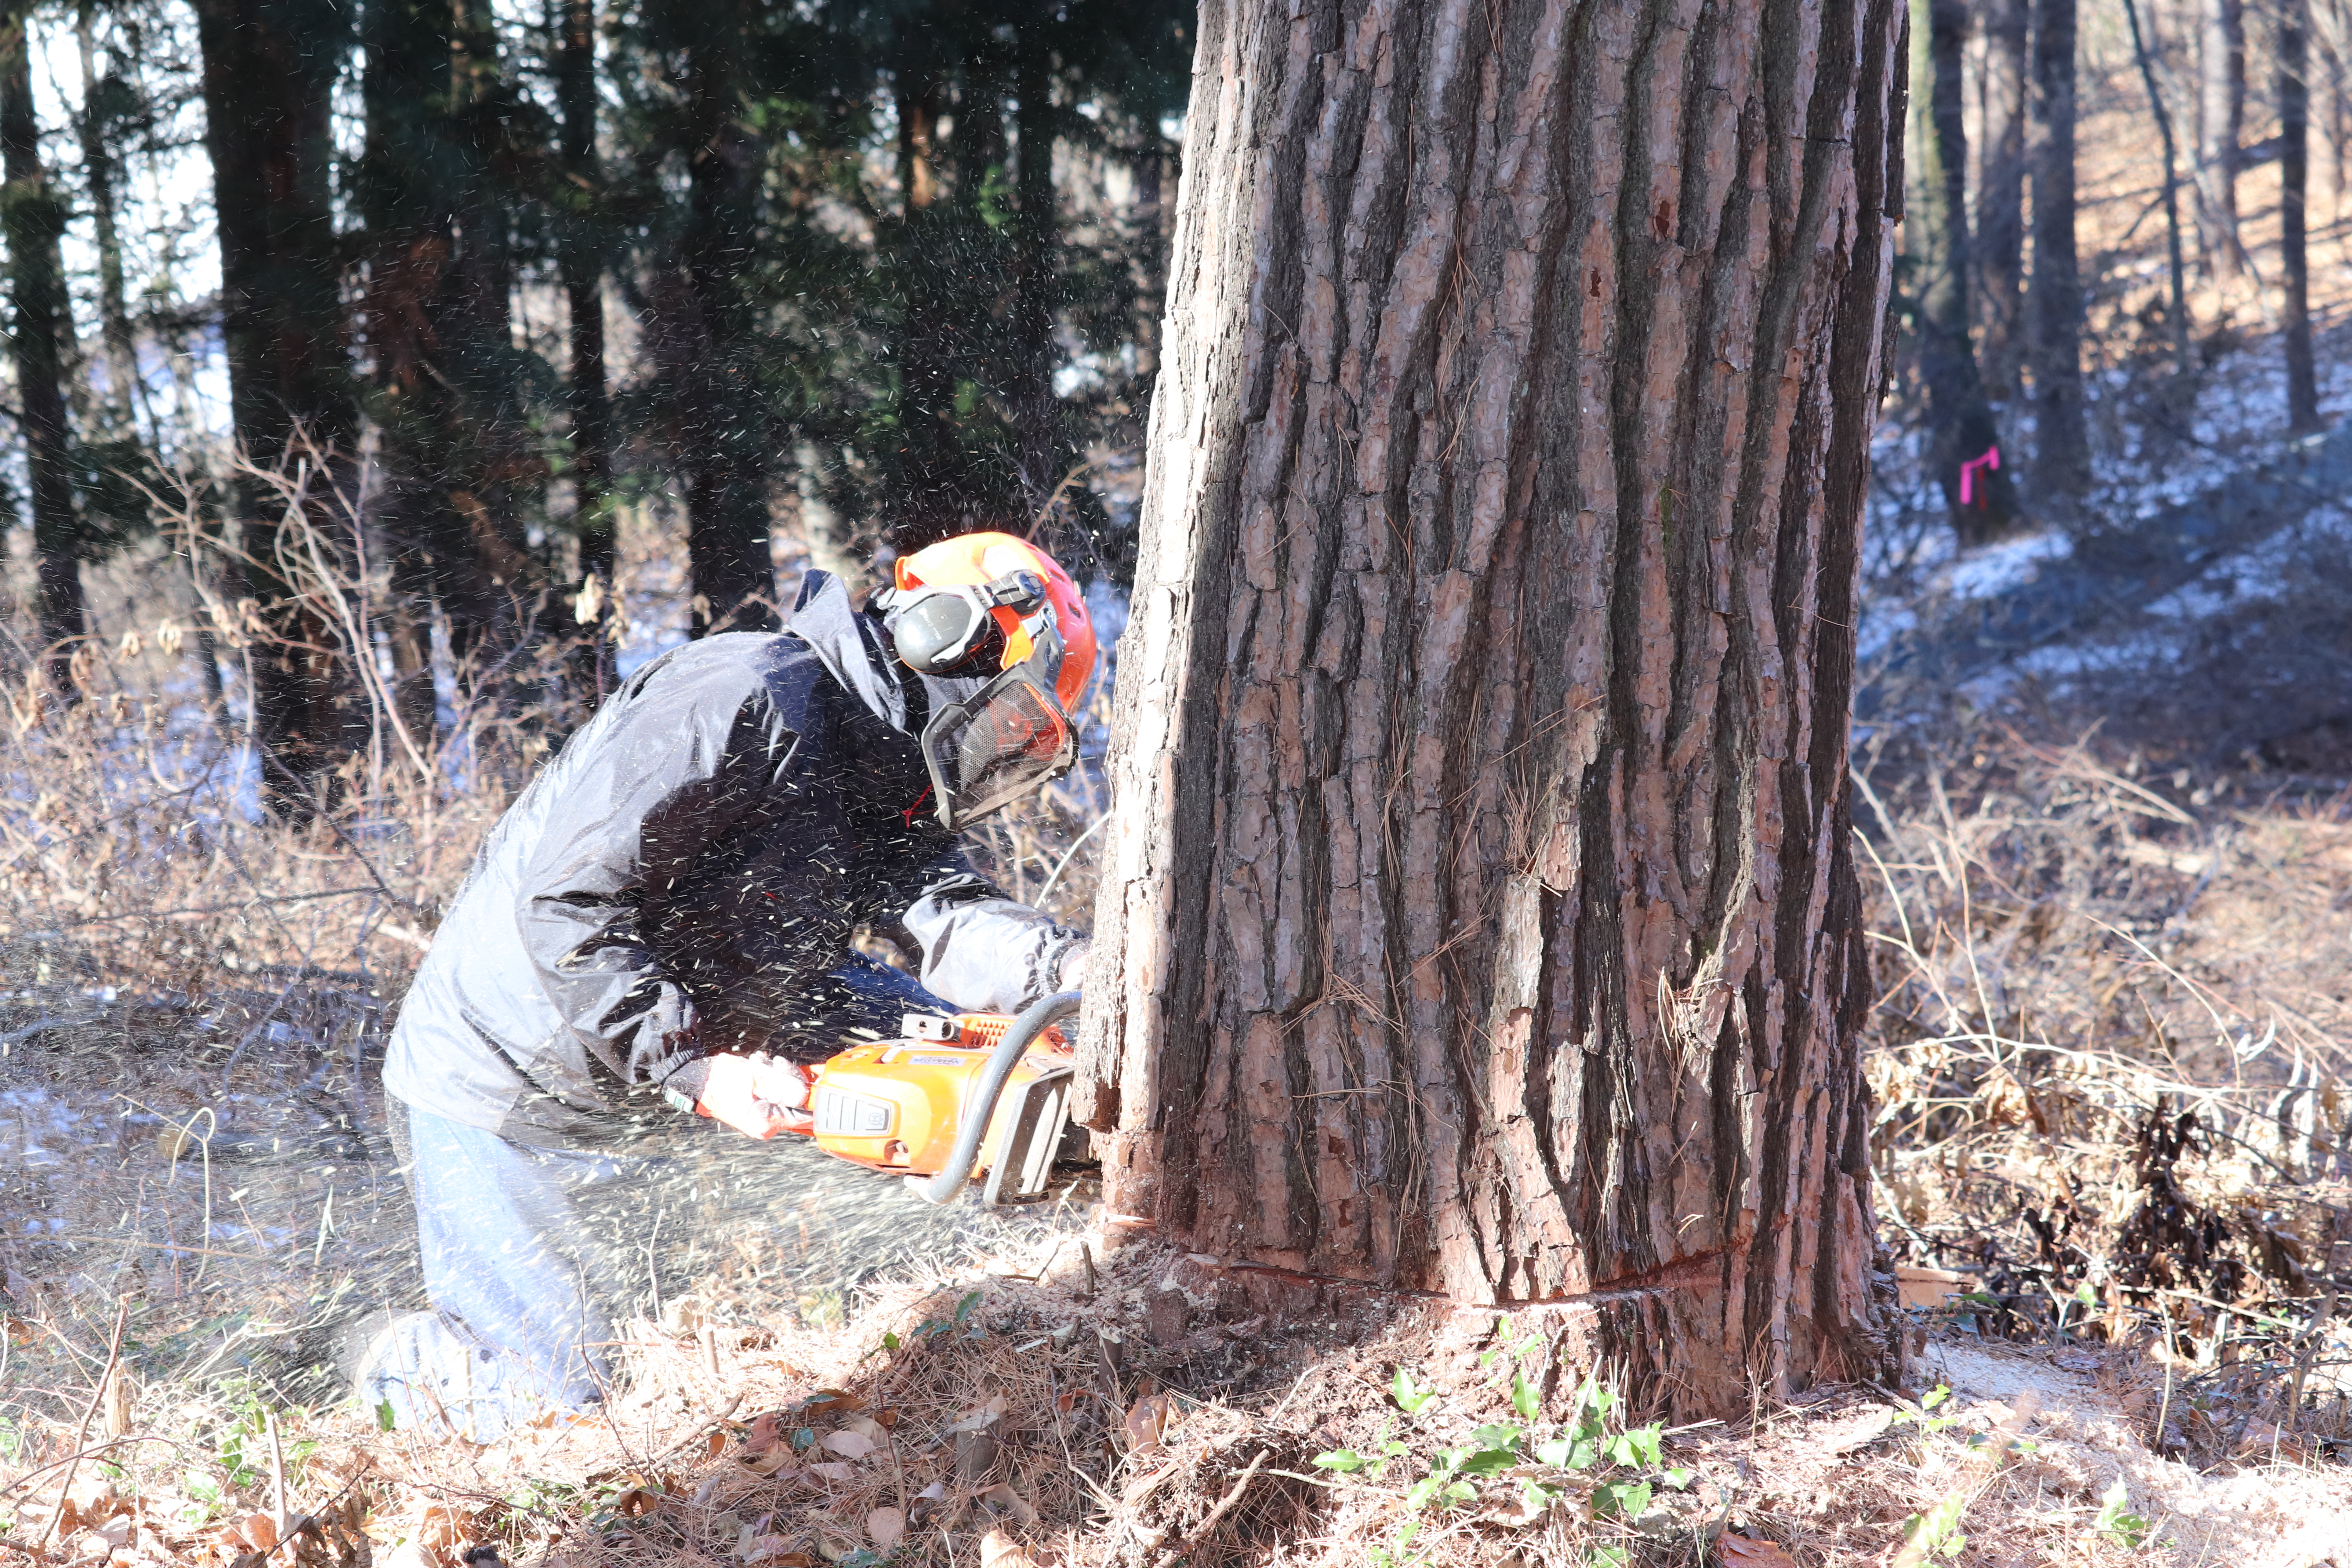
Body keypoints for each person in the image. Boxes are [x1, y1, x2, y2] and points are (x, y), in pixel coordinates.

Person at [352, 532, 1098, 1438]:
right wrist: (696, 1063)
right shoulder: (743, 696)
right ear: (946, 641)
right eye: (1012, 719)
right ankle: (394, 1362)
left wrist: (1081, 976)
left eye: (1029, 738)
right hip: (510, 1065)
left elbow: (944, 912)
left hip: (672, 1022)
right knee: (555, 1408)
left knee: (966, 1048)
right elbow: (563, 901)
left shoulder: (886, 764)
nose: (1005, 744)